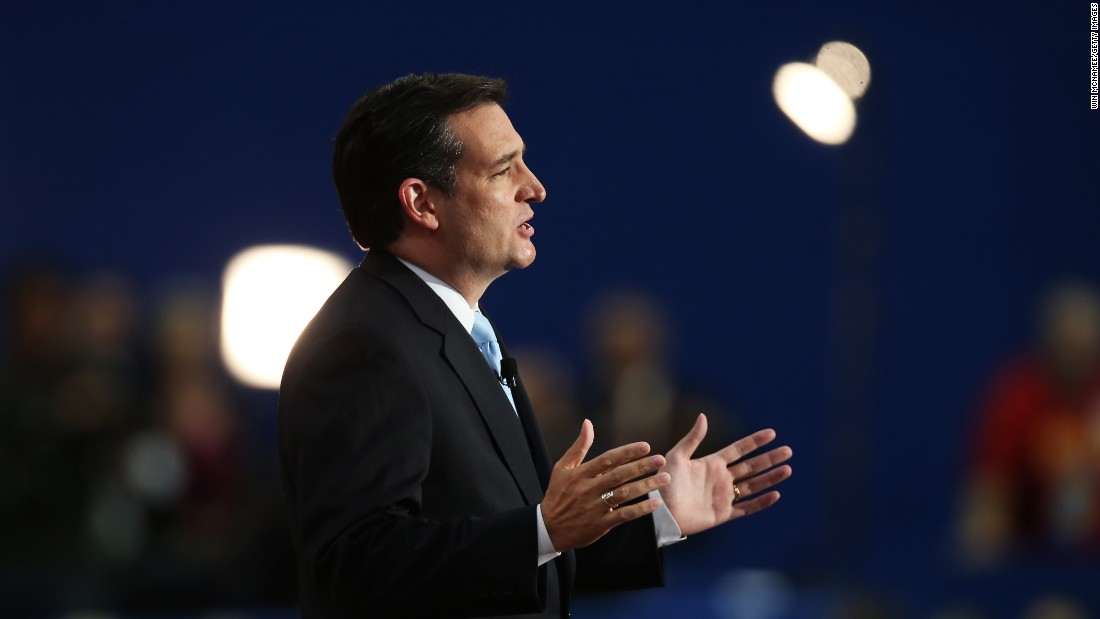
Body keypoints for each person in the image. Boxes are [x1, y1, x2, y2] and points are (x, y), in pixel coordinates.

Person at [277, 73, 793, 618]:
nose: (536, 187)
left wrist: (658, 518)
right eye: (504, 169)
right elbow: (356, 570)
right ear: (421, 203)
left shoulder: (453, 330)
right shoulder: (364, 344)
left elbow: (518, 560)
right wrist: (544, 529)